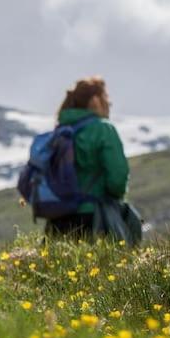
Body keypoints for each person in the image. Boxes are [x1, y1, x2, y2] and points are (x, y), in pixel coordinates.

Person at [44, 77, 130, 239]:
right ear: (95, 100)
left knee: (61, 263)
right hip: (93, 216)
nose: (109, 103)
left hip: (57, 219)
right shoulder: (103, 129)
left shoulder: (59, 132)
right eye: (106, 97)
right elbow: (117, 180)